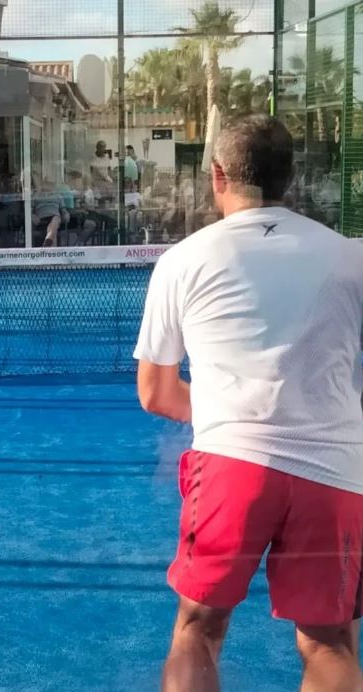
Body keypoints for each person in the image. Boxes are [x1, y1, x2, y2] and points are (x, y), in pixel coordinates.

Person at [133, 115, 363, 692]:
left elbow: (155, 392)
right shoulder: (351, 258)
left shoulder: (183, 260)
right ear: (292, 177)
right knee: (330, 643)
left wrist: (226, 411)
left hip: (230, 468)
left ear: (217, 175)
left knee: (197, 631)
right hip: (335, 473)